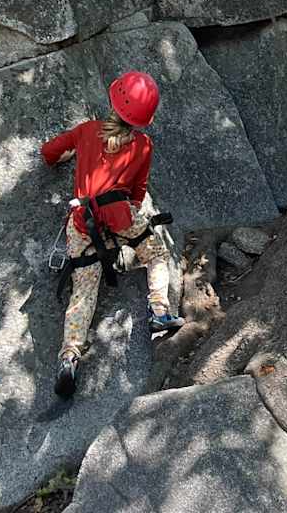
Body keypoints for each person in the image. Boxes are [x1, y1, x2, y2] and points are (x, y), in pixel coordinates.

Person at [41, 71, 185, 398]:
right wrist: (127, 221)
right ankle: (159, 310)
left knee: (84, 291)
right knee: (157, 254)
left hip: (83, 223)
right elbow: (137, 194)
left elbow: (49, 153)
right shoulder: (143, 146)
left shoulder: (86, 131)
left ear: (114, 100)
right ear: (143, 118)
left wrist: (71, 154)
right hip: (120, 218)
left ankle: (69, 355)